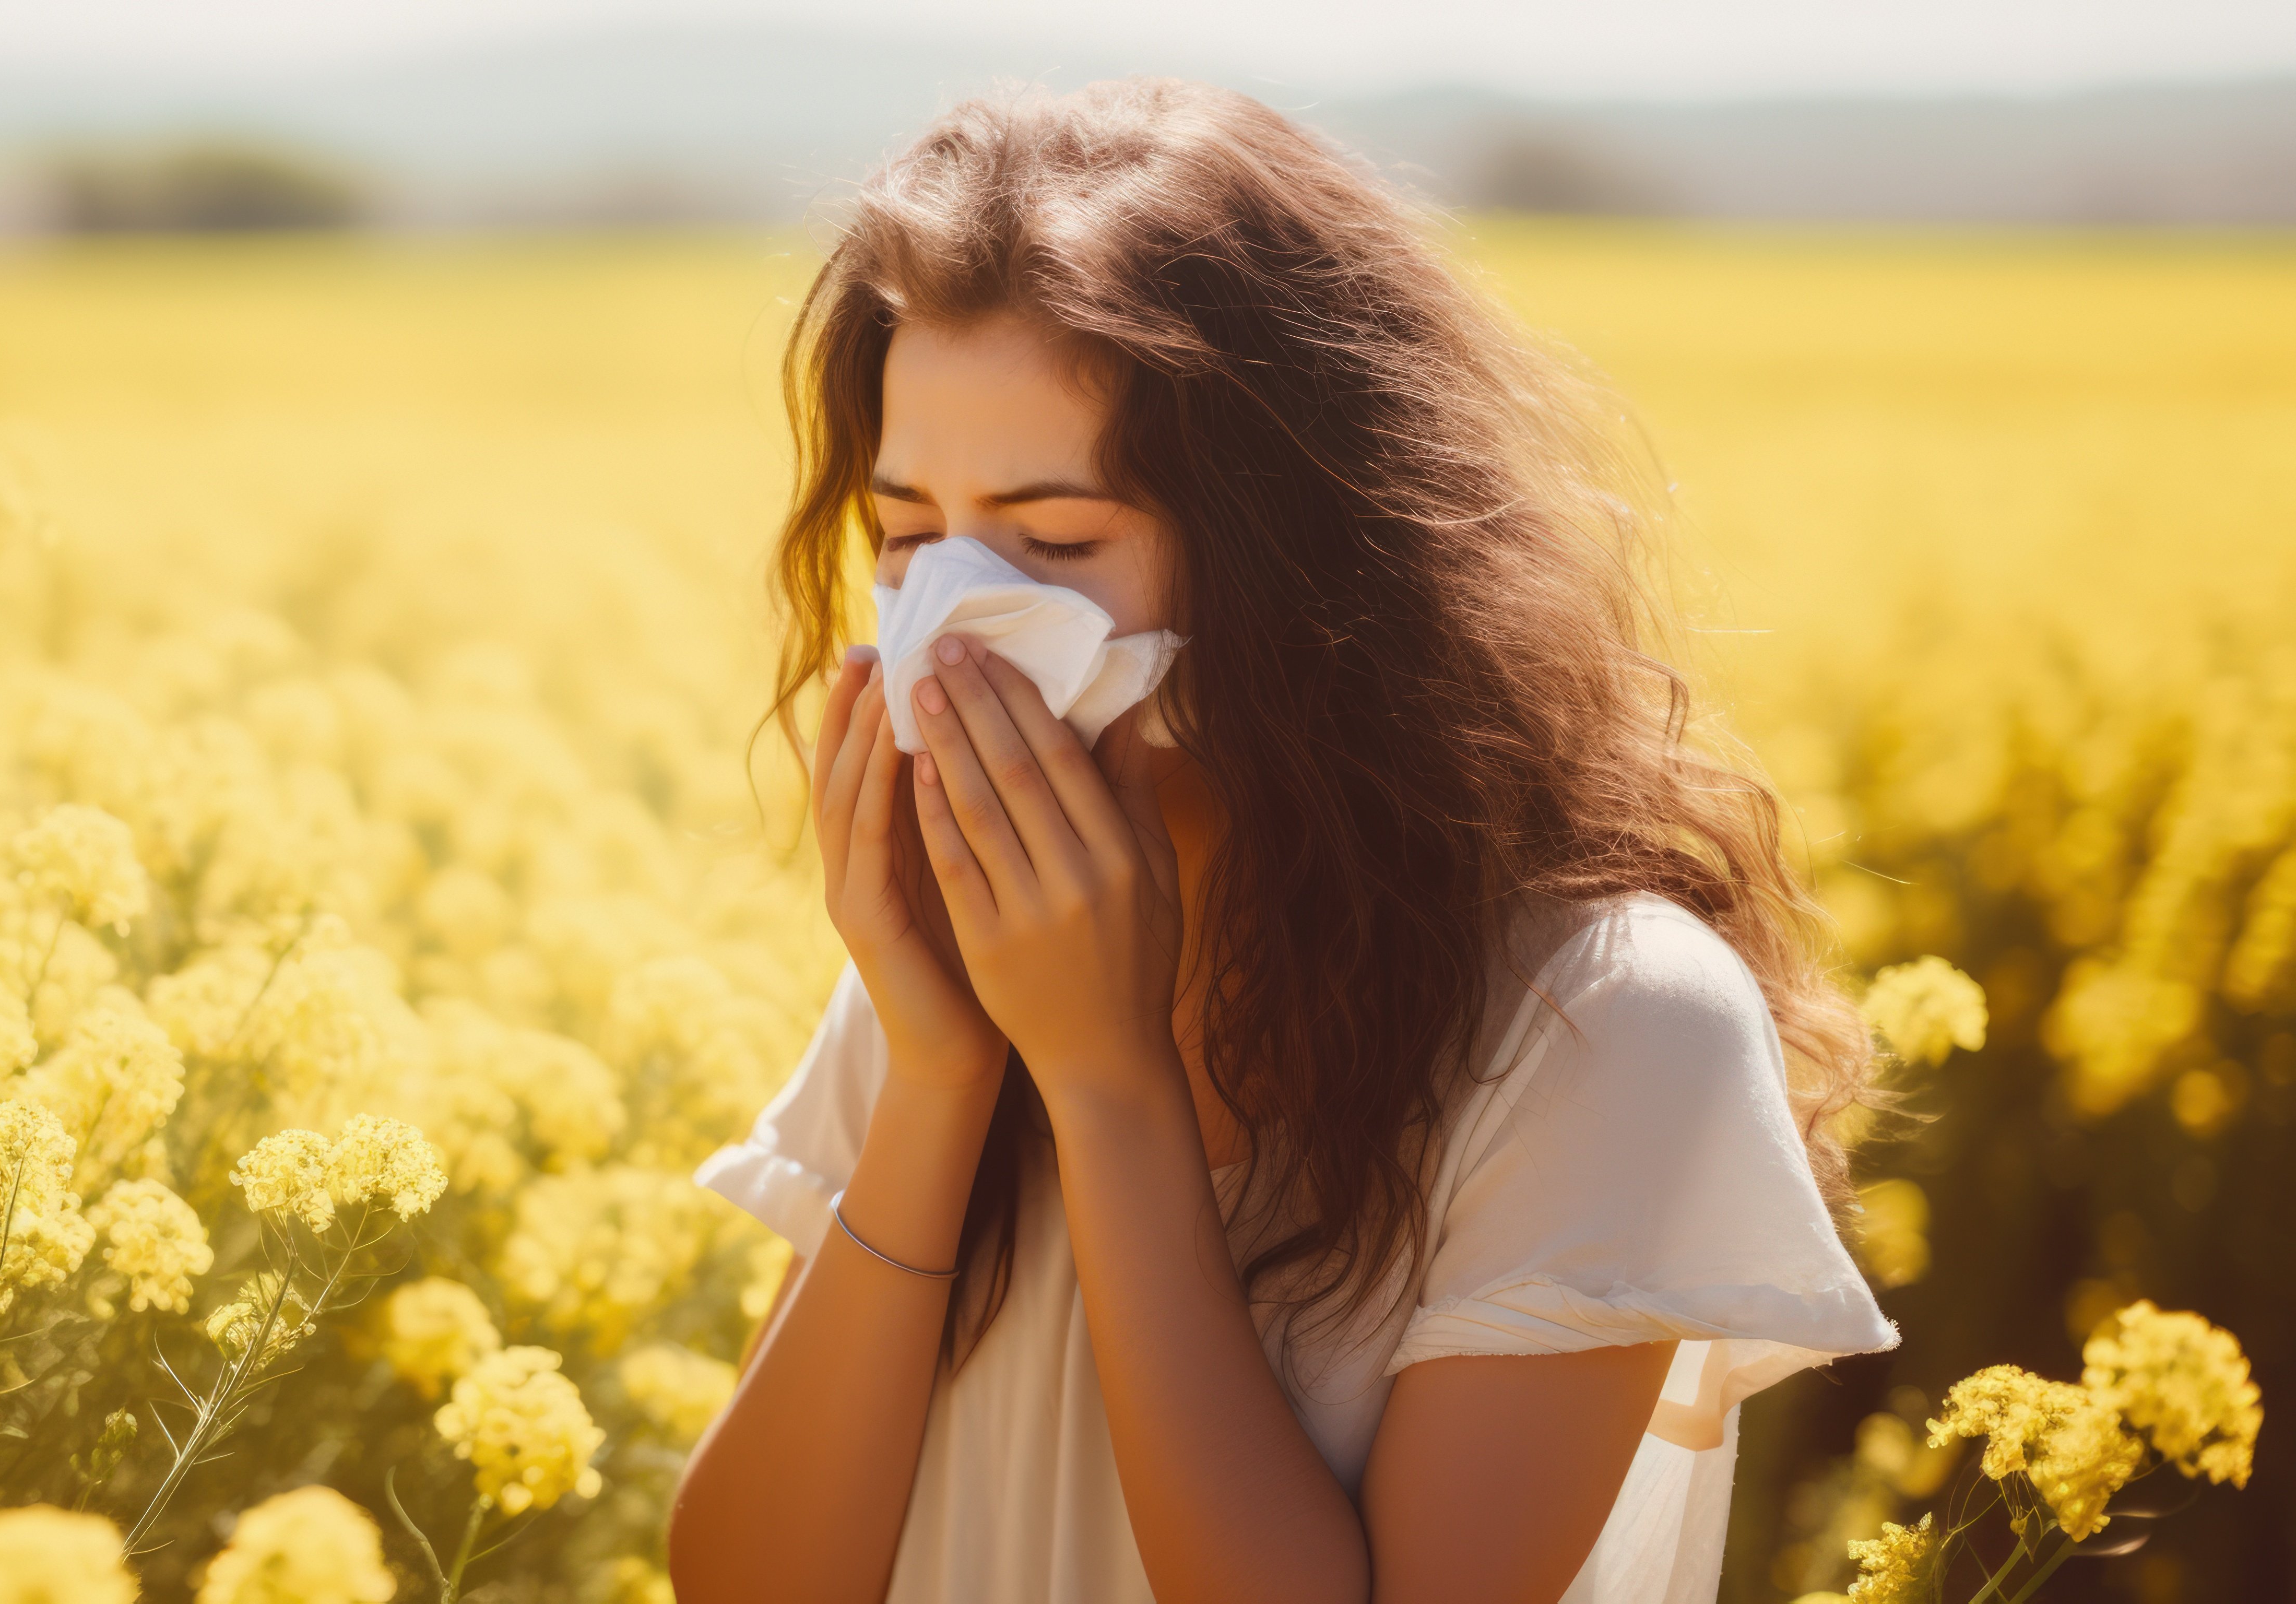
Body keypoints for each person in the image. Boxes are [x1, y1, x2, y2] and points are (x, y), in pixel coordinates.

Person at [666, 79, 1897, 1604]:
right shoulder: (965, 959)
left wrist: (1108, 1085)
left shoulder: (1603, 1027)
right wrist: (939, 1071)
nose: (947, 629)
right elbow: (751, 1584)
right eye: (910, 536)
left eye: (1054, 543)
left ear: (1310, 547)